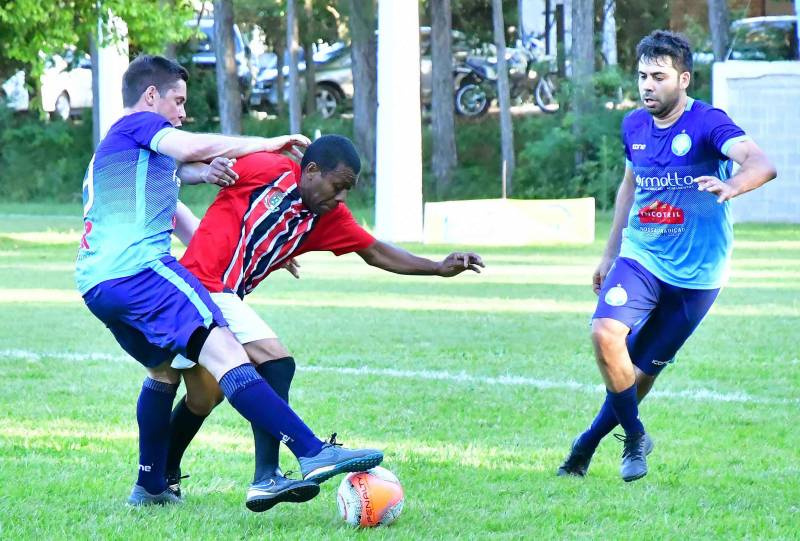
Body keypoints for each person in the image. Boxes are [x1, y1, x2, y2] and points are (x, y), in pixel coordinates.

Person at [76, 55, 383, 507]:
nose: (182, 112)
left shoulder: (129, 157)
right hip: (139, 270)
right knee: (226, 353)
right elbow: (189, 149)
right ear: (149, 97)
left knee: (162, 372)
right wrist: (267, 141)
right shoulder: (136, 125)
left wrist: (265, 252)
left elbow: (183, 204)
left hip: (97, 285)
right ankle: (310, 451)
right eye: (177, 101)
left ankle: (151, 486)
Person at [162, 134, 484, 512]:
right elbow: (185, 162)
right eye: (338, 185)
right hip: (199, 287)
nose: (342, 197)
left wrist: (437, 267)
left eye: (347, 189)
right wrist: (204, 169)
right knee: (275, 361)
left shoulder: (327, 217)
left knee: (204, 397)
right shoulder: (268, 167)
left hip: (218, 299)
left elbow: (376, 251)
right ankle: (267, 476)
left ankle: (160, 477)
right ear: (310, 171)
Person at [556, 31, 777, 482]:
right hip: (642, 255)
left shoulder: (708, 122)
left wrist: (732, 184)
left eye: (658, 76)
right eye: (641, 76)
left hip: (697, 274)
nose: (647, 86)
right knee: (604, 333)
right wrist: (609, 253)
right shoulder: (634, 126)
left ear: (684, 78)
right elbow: (630, 186)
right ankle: (635, 437)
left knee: (639, 372)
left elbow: (761, 163)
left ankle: (588, 442)